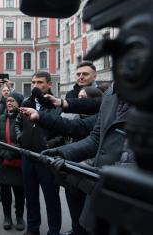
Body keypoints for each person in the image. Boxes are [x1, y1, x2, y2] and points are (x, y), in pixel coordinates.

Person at [41, 89, 132, 233]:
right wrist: (63, 152)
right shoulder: (110, 96)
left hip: (132, 206)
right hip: (99, 205)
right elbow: (96, 138)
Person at [15, 71, 62, 235]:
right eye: (33, 82)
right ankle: (33, 228)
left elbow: (63, 131)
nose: (35, 85)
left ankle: (54, 230)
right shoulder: (26, 101)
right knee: (31, 196)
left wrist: (49, 145)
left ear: (49, 84)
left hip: (48, 158)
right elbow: (18, 123)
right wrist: (21, 138)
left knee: (51, 198)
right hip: (28, 156)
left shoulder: (56, 105)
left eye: (40, 82)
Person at [0, 92, 26, 231]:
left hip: (18, 163)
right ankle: (7, 217)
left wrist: (10, 153)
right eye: (7, 100)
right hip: (3, 163)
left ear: (19, 103)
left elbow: (25, 140)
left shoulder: (25, 119)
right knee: (5, 193)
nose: (9, 103)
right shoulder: (1, 118)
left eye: (12, 100)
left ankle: (19, 217)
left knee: (19, 194)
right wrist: (4, 153)